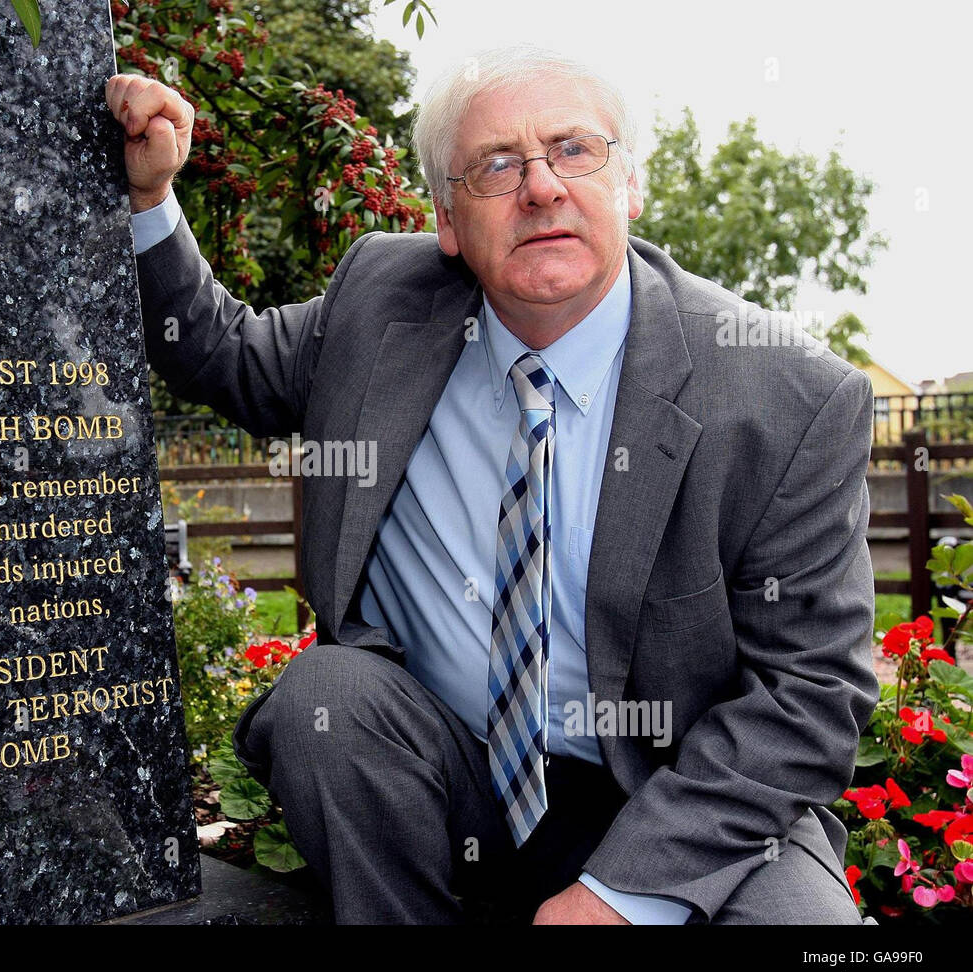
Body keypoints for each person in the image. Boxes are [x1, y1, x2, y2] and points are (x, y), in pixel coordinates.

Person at [105, 45, 878, 925]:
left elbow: (811, 693)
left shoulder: (788, 396)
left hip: (684, 797)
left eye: (574, 149)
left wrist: (619, 894)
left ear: (629, 185)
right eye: (496, 166)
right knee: (329, 699)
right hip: (451, 774)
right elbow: (219, 354)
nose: (542, 187)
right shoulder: (380, 303)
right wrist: (150, 197)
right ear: (446, 217)